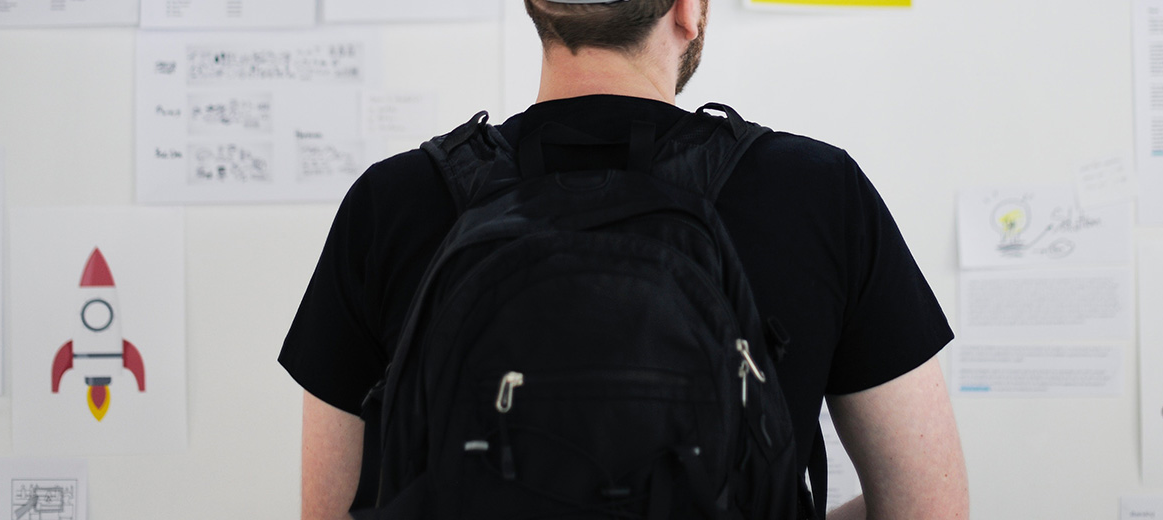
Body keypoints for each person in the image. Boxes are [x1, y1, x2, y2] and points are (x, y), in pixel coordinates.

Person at [279, 0, 969, 518]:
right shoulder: (815, 191)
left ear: (537, 10)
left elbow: (330, 512)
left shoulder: (392, 201)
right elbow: (928, 508)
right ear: (688, 11)